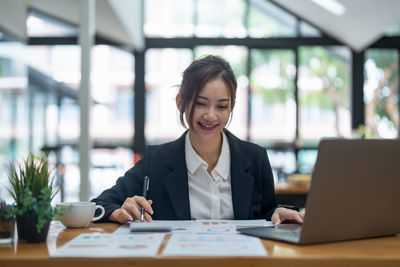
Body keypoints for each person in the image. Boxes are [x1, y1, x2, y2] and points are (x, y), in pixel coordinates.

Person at [91, 55, 304, 225]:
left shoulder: (255, 158)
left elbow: (268, 213)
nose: (211, 115)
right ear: (180, 102)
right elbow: (99, 205)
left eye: (221, 106)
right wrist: (118, 212)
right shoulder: (156, 161)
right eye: (201, 103)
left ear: (231, 106)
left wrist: (278, 212)